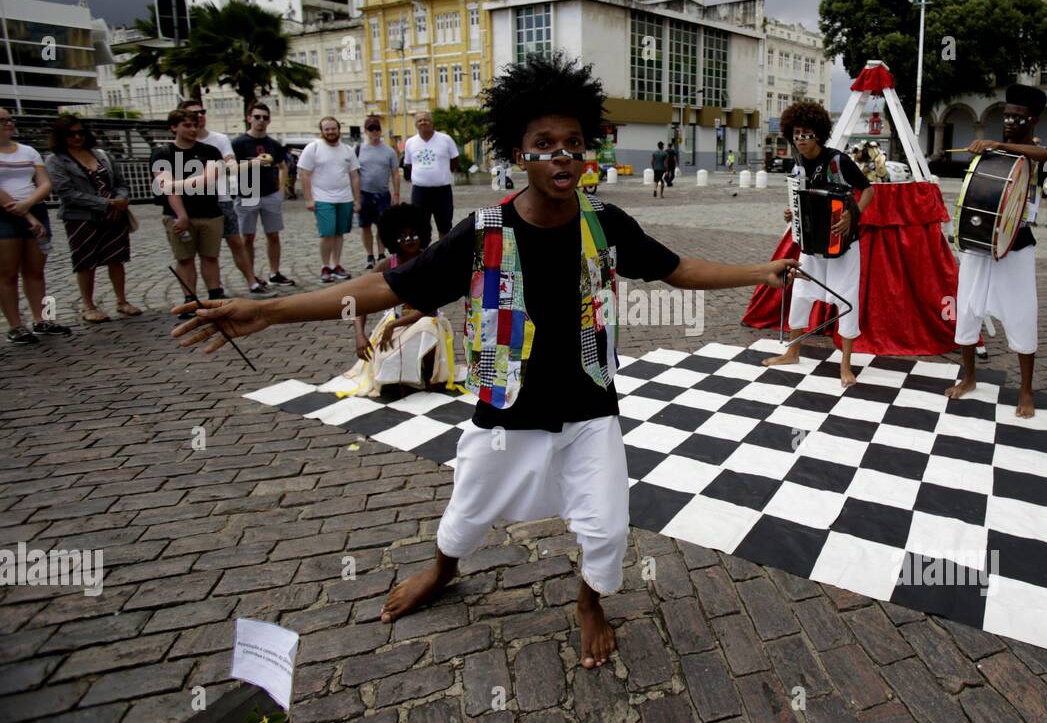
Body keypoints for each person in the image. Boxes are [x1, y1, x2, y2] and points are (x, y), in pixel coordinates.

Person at [173, 52, 796, 669]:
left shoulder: (606, 222)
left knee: (606, 530)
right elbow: (389, 286)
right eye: (543, 143)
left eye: (574, 143)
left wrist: (757, 270)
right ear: (518, 153)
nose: (561, 156)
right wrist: (271, 311)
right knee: (465, 517)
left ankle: (589, 604)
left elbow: (677, 267)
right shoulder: (482, 231)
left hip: (588, 407)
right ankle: (442, 572)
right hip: (506, 411)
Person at [944, 84, 1047, 418]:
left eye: (1018, 117)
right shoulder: (992, 151)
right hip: (979, 244)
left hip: (1018, 245)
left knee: (1023, 315)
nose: (1009, 121)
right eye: (1007, 115)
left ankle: (1026, 390)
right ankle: (969, 377)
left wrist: (1001, 144)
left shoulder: (1039, 153)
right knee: (966, 310)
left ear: (1033, 121)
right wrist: (990, 148)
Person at [761, 100, 870, 388]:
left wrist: (852, 213)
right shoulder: (797, 164)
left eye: (805, 135)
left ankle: (845, 365)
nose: (800, 140)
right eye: (796, 134)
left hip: (842, 246)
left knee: (847, 298)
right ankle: (793, 351)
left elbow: (868, 190)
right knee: (800, 293)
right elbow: (801, 202)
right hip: (811, 245)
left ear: (818, 135)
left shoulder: (838, 161)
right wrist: (791, 213)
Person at [345, 204, 455, 396]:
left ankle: (430, 373)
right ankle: (399, 377)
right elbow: (358, 300)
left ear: (422, 233)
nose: (409, 239)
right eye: (402, 235)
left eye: (413, 234)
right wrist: (359, 335)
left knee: (427, 327)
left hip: (424, 321)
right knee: (385, 362)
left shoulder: (430, 262)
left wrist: (394, 324)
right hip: (394, 322)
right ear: (391, 238)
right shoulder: (386, 265)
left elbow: (428, 307)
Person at [44, 116, 140, 323]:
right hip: (81, 217)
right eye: (71, 134)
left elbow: (120, 183)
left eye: (80, 132)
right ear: (61, 136)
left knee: (117, 257)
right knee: (85, 260)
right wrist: (106, 203)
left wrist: (121, 199)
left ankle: (122, 300)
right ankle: (88, 305)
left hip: (114, 214)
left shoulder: (101, 155)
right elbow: (66, 192)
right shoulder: (56, 160)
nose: (77, 137)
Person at [180, 99, 270, 297]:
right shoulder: (176, 148)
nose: (199, 116)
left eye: (202, 112)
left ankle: (251, 282)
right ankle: (195, 296)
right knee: (191, 254)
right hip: (191, 203)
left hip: (221, 199)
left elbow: (230, 166)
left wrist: (252, 163)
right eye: (193, 114)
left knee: (234, 243)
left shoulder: (218, 140)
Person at [1, 108, 69, 344]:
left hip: (34, 209)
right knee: (7, 273)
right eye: (2, 120)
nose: (8, 124)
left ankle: (44, 319)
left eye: (10, 119)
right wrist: (24, 212)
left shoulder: (28, 151)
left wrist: (29, 204)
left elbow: (44, 182)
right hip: (5, 214)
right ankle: (15, 325)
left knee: (37, 271)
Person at [151, 108, 228, 312]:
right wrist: (181, 214)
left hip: (210, 212)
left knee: (210, 256)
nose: (193, 129)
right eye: (187, 125)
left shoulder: (209, 151)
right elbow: (166, 187)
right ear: (174, 127)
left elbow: (208, 179)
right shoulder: (162, 153)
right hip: (178, 214)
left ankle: (215, 294)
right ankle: (190, 300)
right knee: (184, 258)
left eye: (195, 125)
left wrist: (176, 182)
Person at [232, 102, 293, 290]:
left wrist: (281, 189)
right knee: (248, 237)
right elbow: (231, 169)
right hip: (247, 193)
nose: (261, 121)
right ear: (249, 118)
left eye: (265, 117)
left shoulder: (273, 144)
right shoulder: (238, 143)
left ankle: (274, 272)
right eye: (257, 117)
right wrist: (254, 163)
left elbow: (283, 167)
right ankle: (251, 276)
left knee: (273, 235)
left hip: (270, 194)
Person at [298, 116, 361, 283]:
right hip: (322, 198)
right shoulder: (313, 148)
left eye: (333, 128)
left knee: (339, 234)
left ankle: (336, 265)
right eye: (327, 129)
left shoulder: (348, 150)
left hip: (345, 198)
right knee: (327, 234)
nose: (330, 132)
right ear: (322, 131)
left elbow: (354, 176)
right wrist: (308, 199)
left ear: (339, 129)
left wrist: (357, 200)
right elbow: (304, 174)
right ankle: (325, 266)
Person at [404, 111, 459, 241]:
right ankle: (423, 256)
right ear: (416, 125)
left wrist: (441, 173)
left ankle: (443, 255)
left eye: (426, 120)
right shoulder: (410, 142)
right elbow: (409, 164)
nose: (423, 122)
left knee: (444, 227)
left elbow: (455, 161)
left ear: (432, 122)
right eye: (419, 121)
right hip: (420, 191)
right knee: (420, 227)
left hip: (442, 191)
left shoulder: (446, 139)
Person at [356, 116, 401, 271]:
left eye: (376, 128)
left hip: (382, 194)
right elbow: (353, 174)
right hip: (364, 194)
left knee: (382, 227)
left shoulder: (389, 151)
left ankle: (381, 254)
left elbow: (395, 173)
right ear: (366, 131)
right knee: (365, 226)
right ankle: (369, 255)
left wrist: (396, 194)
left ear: (380, 131)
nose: (374, 132)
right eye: (371, 129)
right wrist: (355, 197)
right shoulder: (358, 150)